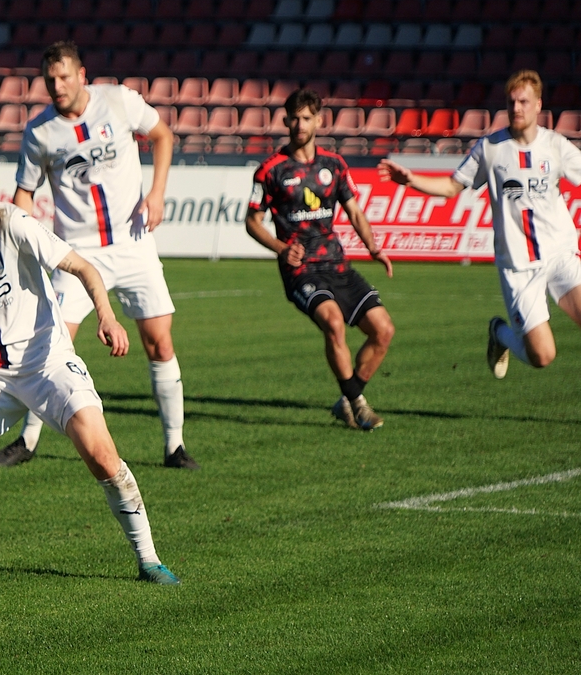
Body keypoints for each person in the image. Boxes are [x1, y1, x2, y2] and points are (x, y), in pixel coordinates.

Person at [0, 146, 181, 586]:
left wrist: (107, 316)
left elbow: (82, 267)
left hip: (47, 362)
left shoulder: (8, 222)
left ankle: (149, 560)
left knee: (102, 456)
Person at [0, 40, 198, 470]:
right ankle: (27, 441)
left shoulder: (118, 101)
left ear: (82, 75)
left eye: (64, 77)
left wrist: (157, 192)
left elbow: (162, 135)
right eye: (50, 80)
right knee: (50, 345)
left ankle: (174, 446)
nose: (58, 86)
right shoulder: (40, 131)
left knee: (160, 342)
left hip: (133, 242)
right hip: (77, 254)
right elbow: (24, 194)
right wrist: (22, 245)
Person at [379, 70, 581, 378]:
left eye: (524, 102)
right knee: (542, 356)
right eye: (511, 102)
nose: (516, 108)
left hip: (560, 255)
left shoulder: (555, 145)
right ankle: (499, 333)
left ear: (539, 104)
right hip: (519, 266)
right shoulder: (490, 148)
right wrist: (411, 180)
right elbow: (451, 187)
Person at [246, 88, 395, 430]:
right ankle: (359, 405)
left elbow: (355, 212)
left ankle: (347, 397)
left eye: (306, 118)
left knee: (383, 331)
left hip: (337, 265)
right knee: (333, 322)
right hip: (301, 270)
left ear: (319, 121)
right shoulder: (270, 170)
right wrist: (281, 248)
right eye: (294, 119)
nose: (300, 125)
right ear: (285, 121)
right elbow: (252, 221)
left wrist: (374, 248)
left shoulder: (334, 165)